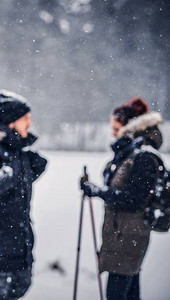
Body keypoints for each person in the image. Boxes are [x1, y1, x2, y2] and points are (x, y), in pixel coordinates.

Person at [80, 97, 163, 300]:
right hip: (122, 235)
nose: (113, 133)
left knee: (117, 294)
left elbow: (134, 199)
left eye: (116, 129)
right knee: (129, 292)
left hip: (129, 237)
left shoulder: (143, 157)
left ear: (130, 128)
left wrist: (99, 192)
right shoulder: (127, 155)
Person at [0, 90, 47, 299]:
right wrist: (6, 176)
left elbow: (22, 182)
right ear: (13, 122)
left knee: (21, 285)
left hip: (20, 239)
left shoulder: (16, 151)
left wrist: (28, 163)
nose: (30, 124)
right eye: (26, 119)